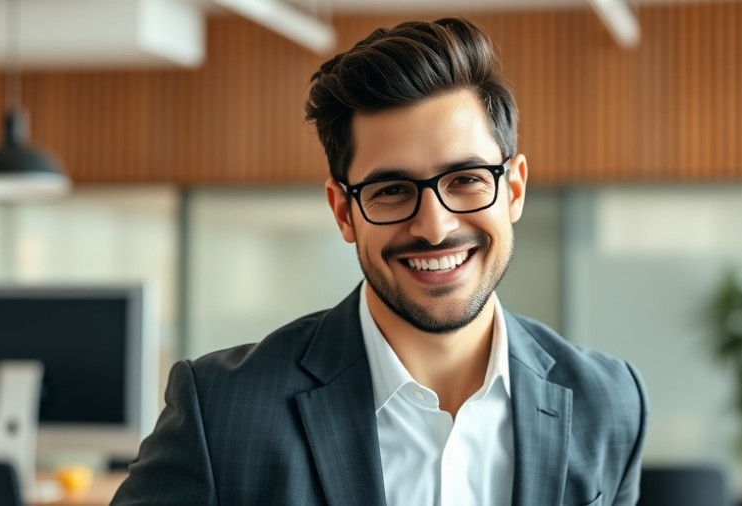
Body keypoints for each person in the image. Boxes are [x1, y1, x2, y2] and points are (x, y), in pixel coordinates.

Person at [111, 17, 647, 506]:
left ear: (514, 190)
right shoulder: (220, 412)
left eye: (466, 179)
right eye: (391, 190)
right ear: (343, 212)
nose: (435, 227)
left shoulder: (609, 402)